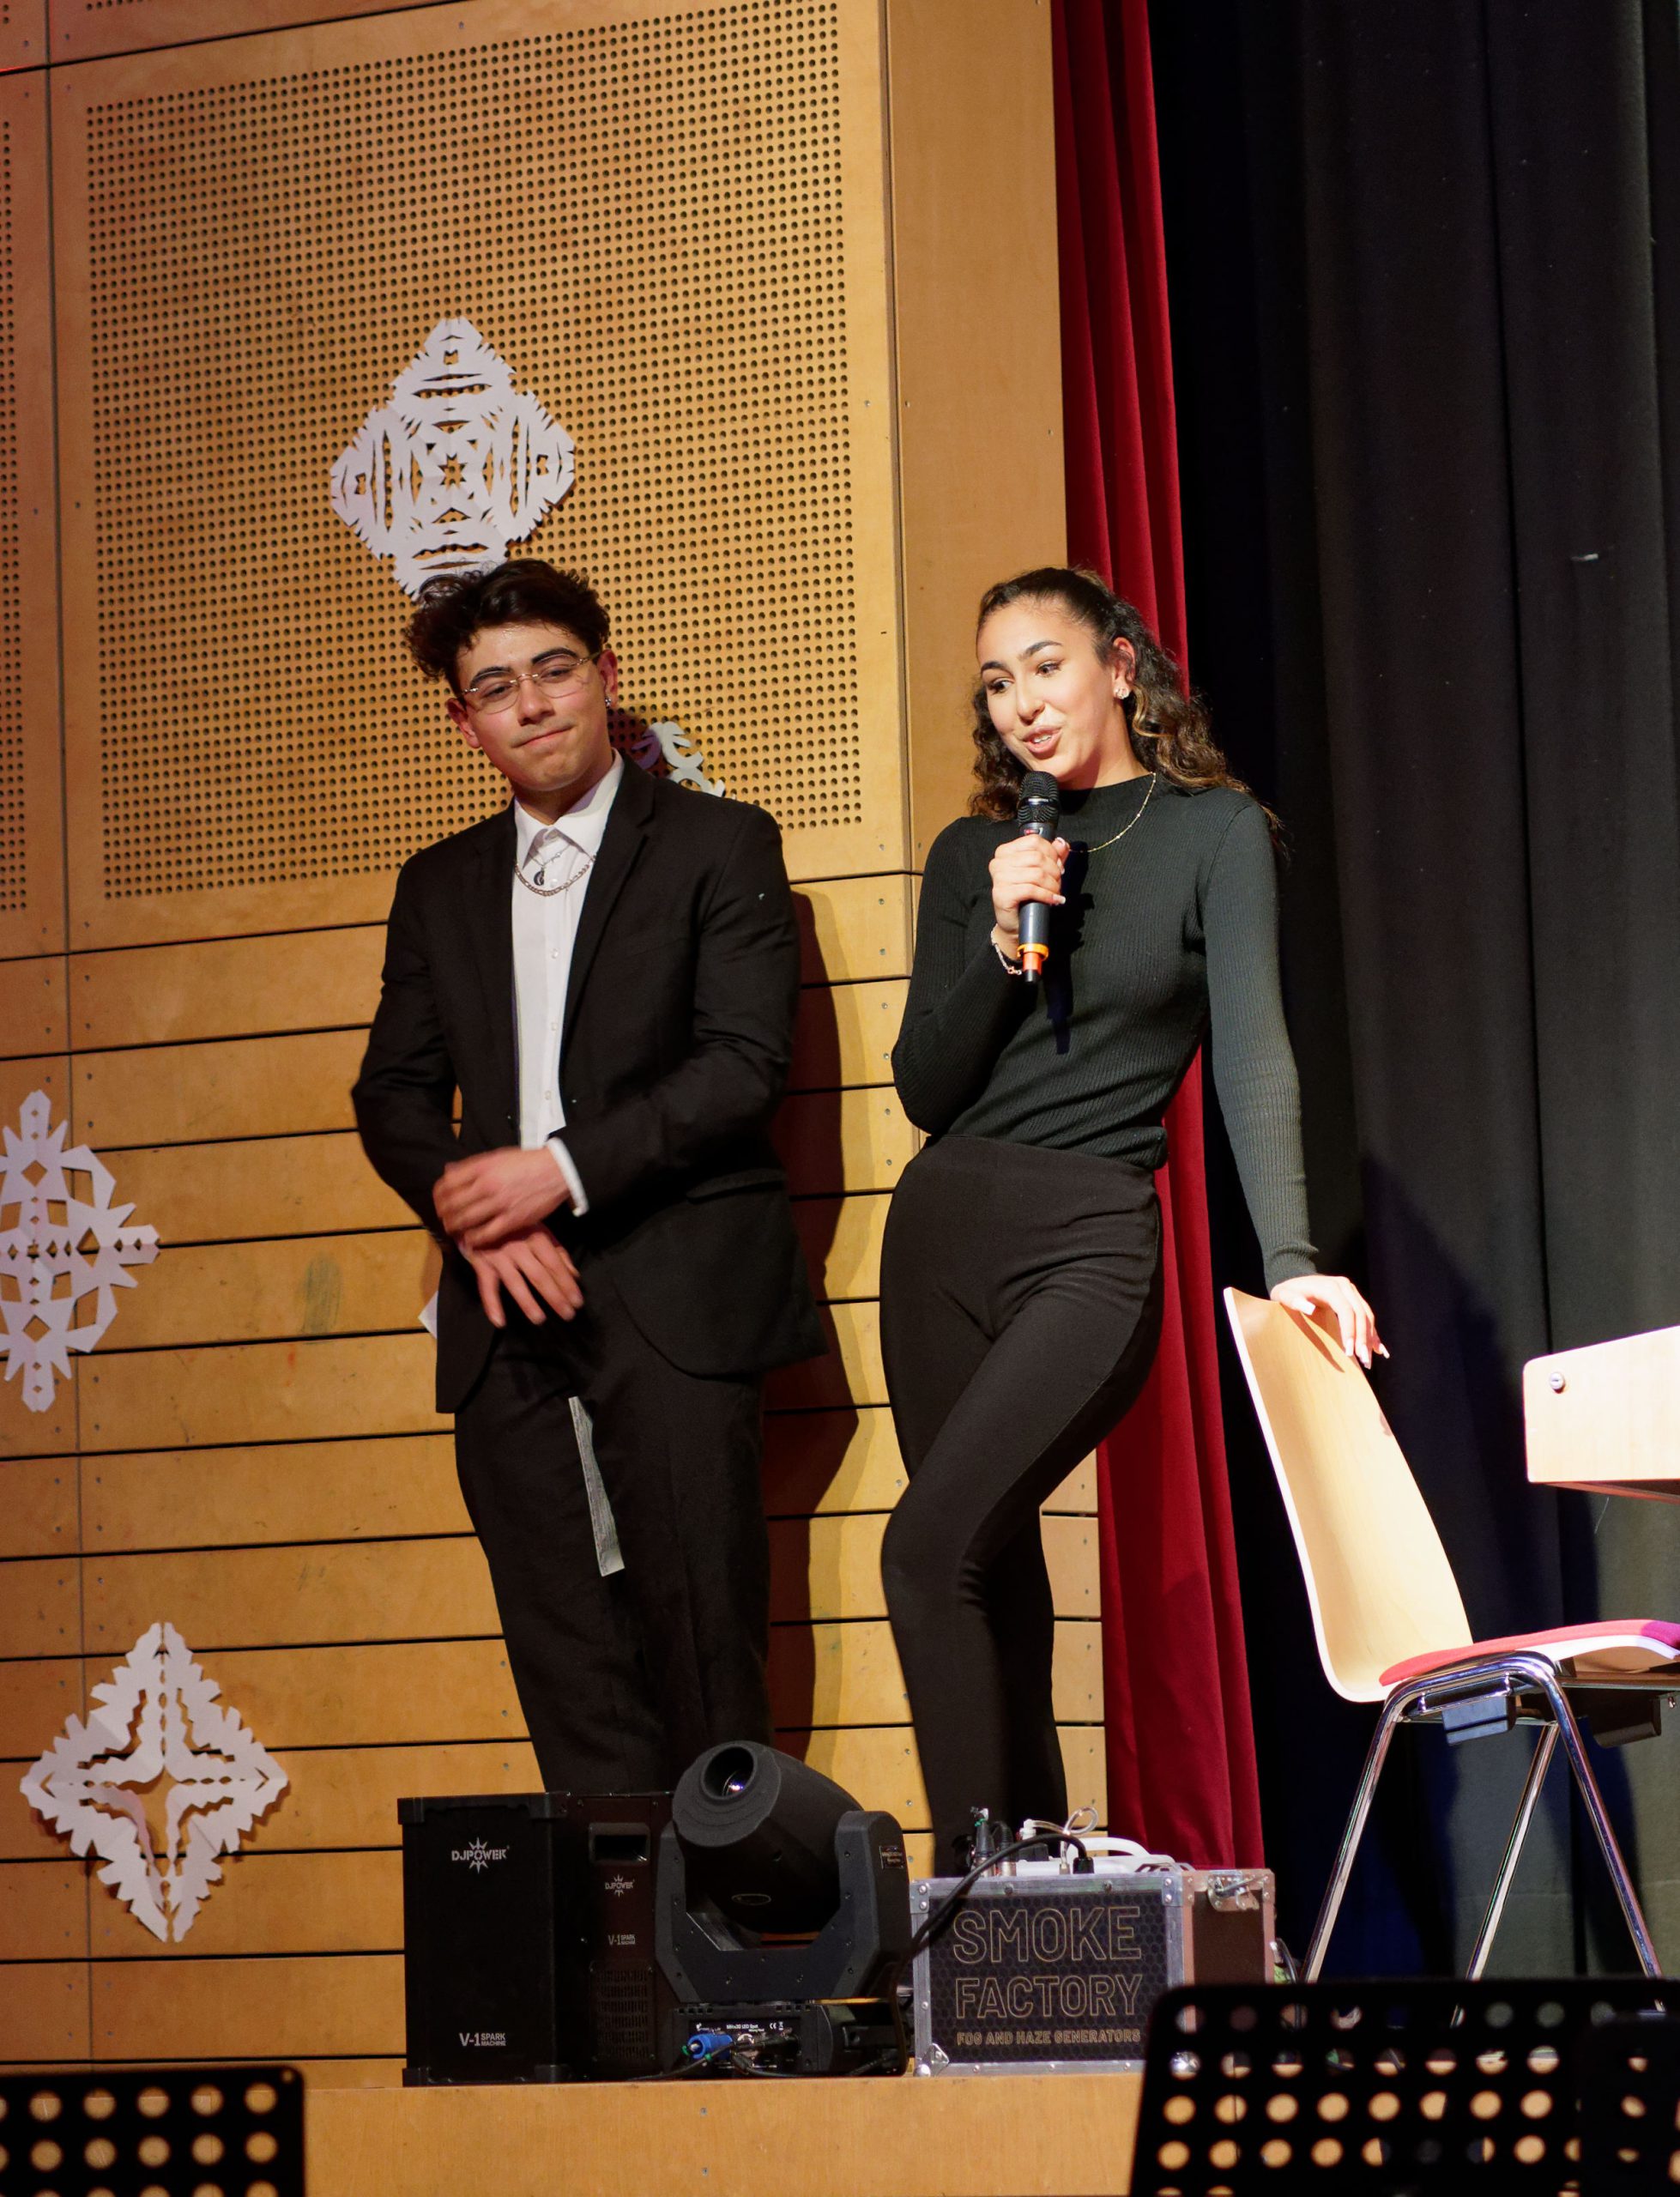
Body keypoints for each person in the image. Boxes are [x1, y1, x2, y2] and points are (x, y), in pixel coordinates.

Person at [880, 565, 1381, 1872]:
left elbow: (1254, 1052)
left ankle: (968, 1903)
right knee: (987, 1575)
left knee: (924, 1550)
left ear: (1116, 665)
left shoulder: (1214, 831)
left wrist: (1292, 1261)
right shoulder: (973, 857)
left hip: (1089, 1238)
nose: (1024, 705)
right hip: (940, 1234)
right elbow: (925, 1084)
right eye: (999, 684)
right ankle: (1026, 1902)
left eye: (1046, 667)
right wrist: (1002, 940)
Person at [353, 559, 824, 1797]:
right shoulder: (437, 884)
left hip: (676, 1291)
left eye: (554, 670)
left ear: (605, 676)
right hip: (503, 1316)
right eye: (495, 687)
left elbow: (741, 1067)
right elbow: (391, 1094)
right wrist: (479, 1213)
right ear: (465, 720)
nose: (531, 704)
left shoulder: (720, 843)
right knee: (567, 1669)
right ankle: (618, 1931)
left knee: (705, 1655)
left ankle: (735, 1921)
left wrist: (554, 1175)